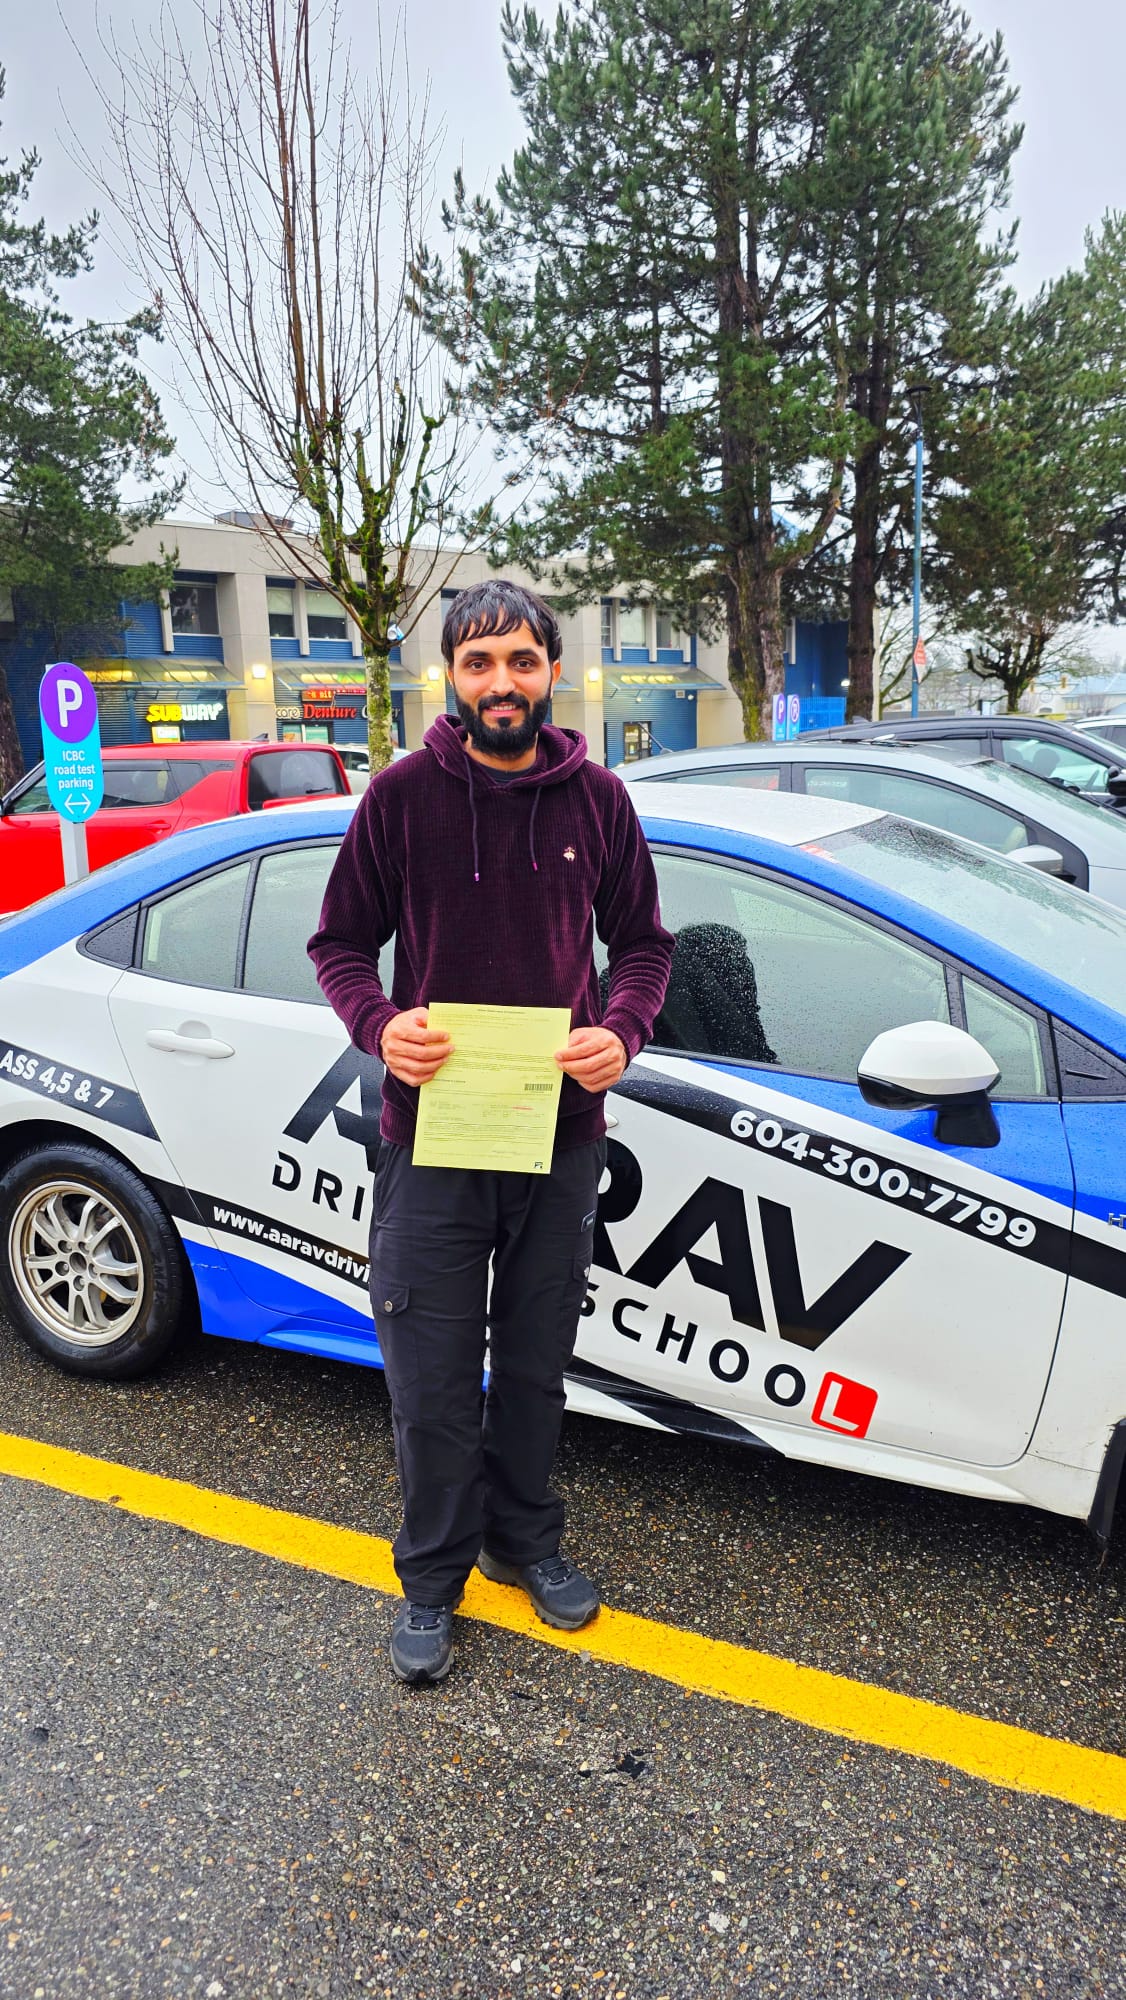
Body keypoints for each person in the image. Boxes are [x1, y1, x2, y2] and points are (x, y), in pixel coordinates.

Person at [308, 579, 674, 1685]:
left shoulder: (599, 801)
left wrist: (622, 1031)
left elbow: (644, 947)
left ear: (551, 670)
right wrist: (381, 1026)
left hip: (559, 1136)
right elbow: (338, 945)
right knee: (428, 1375)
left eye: (520, 660)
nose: (501, 682)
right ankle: (431, 1578)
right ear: (450, 676)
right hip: (433, 1138)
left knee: (533, 1361)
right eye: (479, 663)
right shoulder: (399, 799)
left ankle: (524, 1541)